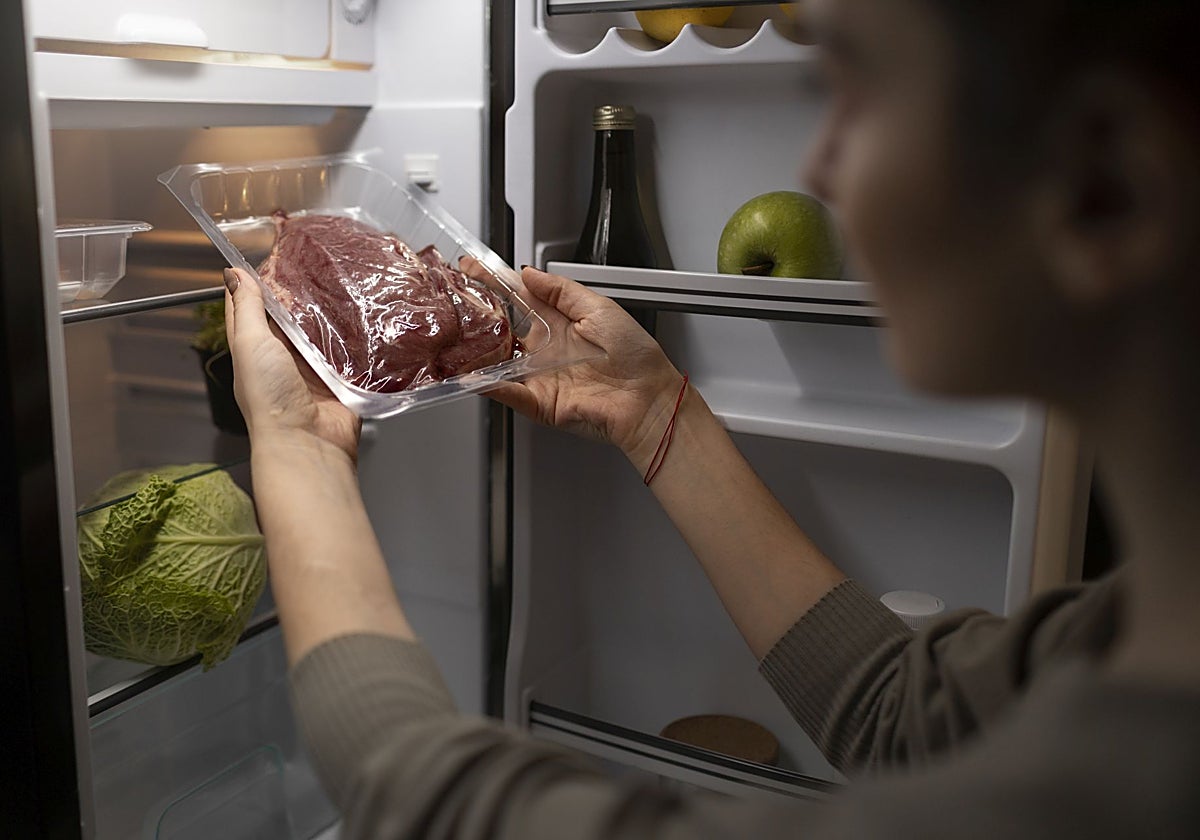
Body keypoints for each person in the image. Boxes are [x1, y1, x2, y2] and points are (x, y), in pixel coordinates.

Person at [222, 0, 1200, 836]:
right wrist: (655, 415)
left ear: (1104, 184)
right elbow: (906, 710)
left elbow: (436, 805)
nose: (819, 166)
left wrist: (300, 447)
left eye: (852, 87)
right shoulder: (1116, 644)